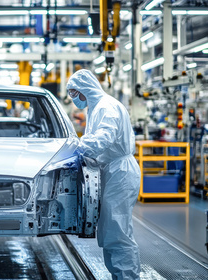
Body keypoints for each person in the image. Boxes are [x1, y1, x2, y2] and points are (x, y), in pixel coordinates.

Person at [66, 69, 141, 279]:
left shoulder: (107, 107)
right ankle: (119, 275)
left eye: (74, 93)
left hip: (120, 172)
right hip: (111, 171)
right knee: (110, 229)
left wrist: (75, 147)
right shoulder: (96, 107)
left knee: (117, 230)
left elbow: (103, 138)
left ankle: (127, 277)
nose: (73, 98)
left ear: (84, 89)